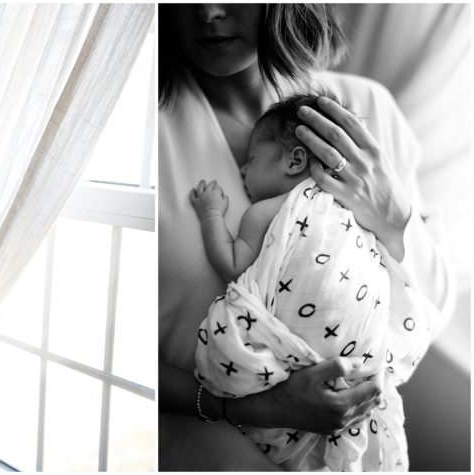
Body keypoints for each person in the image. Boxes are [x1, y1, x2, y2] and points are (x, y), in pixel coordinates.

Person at [158, 4, 453, 470]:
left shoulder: (369, 111)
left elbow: (431, 308)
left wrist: (394, 217)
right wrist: (245, 407)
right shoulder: (146, 137)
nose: (208, 12)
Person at [188, 93, 429, 470]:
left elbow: (233, 265)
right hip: (360, 362)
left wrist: (210, 214)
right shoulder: (353, 210)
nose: (241, 173)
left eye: (250, 160)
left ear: (295, 160)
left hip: (297, 354)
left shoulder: (268, 211)